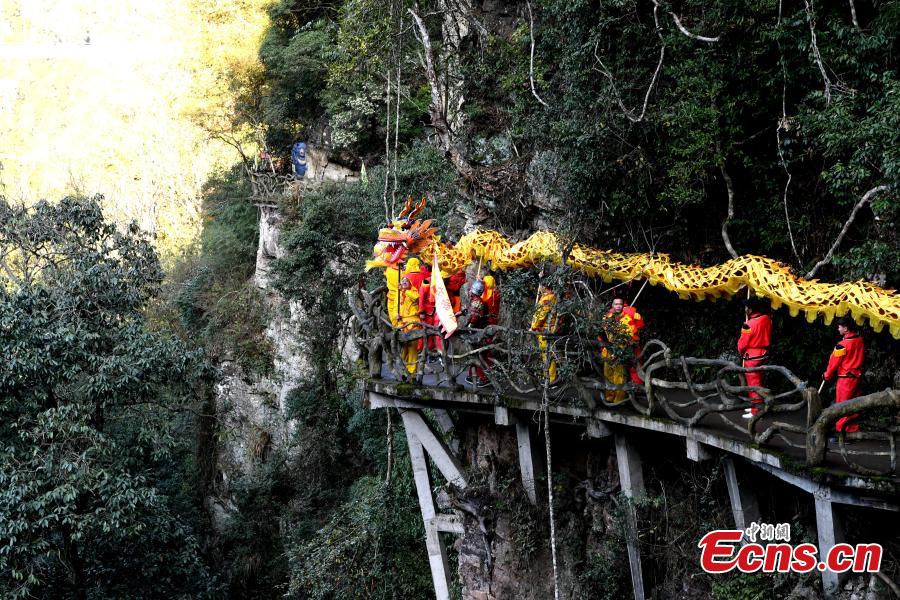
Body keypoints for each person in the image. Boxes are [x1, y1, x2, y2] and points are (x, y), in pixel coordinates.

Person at [823, 317, 864, 434]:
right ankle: (852, 428)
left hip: (845, 380)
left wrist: (826, 375)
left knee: (842, 405)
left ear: (845, 328)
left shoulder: (842, 345)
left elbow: (833, 363)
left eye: (839, 327)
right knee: (854, 404)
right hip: (857, 377)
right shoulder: (860, 340)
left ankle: (842, 431)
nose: (838, 329)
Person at [601, 296, 645, 403]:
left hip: (621, 350)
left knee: (619, 375)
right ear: (612, 305)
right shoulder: (607, 317)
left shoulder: (628, 318)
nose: (618, 306)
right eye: (616, 304)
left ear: (623, 305)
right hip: (608, 349)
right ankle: (609, 396)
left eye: (620, 304)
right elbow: (603, 333)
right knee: (607, 373)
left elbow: (631, 335)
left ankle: (619, 399)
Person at [737, 297, 773, 418]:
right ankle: (756, 405)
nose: (745, 309)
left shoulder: (748, 325)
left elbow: (742, 345)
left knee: (753, 383)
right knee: (759, 381)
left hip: (752, 356)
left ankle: (756, 411)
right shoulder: (767, 319)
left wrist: (740, 352)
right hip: (764, 353)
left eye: (747, 307)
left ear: (751, 310)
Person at [462, 280, 491, 387]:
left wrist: (468, 328)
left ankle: (483, 377)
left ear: (473, 291)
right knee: (474, 353)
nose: (469, 291)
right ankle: (472, 375)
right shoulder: (477, 301)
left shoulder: (477, 303)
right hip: (479, 330)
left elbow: (474, 318)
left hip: (477, 332)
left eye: (470, 290)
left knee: (478, 354)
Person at [530, 284, 560, 384]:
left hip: (545, 330)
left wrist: (533, 327)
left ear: (544, 287)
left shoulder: (547, 298)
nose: (539, 288)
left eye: (540, 286)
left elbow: (541, 316)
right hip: (548, 328)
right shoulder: (551, 296)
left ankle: (550, 379)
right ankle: (548, 376)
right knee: (547, 354)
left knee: (547, 354)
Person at [398, 276, 421, 376]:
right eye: (402, 281)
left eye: (406, 281)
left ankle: (412, 373)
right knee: (404, 349)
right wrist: (397, 315)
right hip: (403, 324)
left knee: (412, 349)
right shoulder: (401, 294)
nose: (404, 282)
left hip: (413, 323)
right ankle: (404, 371)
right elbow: (400, 307)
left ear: (410, 282)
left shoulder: (413, 291)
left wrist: (404, 290)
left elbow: (416, 297)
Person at [384, 262, 401, 327]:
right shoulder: (403, 273)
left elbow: (385, 273)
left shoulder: (388, 270)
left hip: (391, 297)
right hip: (400, 297)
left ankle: (395, 327)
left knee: (393, 314)